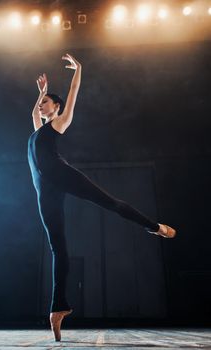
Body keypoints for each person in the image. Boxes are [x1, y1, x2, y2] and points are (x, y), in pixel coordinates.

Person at [27, 53, 176, 341]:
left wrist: (79, 69)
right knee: (58, 246)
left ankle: (153, 226)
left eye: (46, 102)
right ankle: (58, 308)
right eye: (42, 103)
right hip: (44, 190)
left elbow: (72, 94)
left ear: (56, 109)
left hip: (63, 174)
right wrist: (41, 93)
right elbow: (33, 114)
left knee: (110, 202)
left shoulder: (58, 124)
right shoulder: (37, 128)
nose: (42, 106)